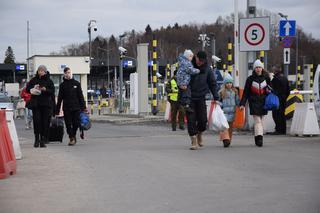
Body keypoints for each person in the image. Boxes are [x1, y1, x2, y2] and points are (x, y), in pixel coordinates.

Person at [186, 51, 219, 150]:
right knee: (191, 120)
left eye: (202, 61)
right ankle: (194, 140)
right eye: (199, 60)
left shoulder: (207, 69)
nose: (200, 62)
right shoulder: (188, 67)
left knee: (203, 121)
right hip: (190, 98)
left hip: (201, 97)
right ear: (195, 57)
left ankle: (200, 133)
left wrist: (216, 96)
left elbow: (212, 83)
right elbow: (182, 81)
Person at [240, 59, 271, 147]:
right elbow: (246, 92)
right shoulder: (250, 79)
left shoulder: (267, 78)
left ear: (262, 68)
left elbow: (271, 90)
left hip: (264, 103)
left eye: (259, 67)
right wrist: (242, 104)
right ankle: (260, 138)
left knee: (261, 121)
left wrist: (269, 91)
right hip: (253, 103)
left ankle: (257, 137)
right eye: (256, 67)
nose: (258, 69)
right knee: (258, 121)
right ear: (254, 69)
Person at [56, 67, 86, 146]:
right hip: (66, 108)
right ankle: (71, 138)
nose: (68, 74)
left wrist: (84, 107)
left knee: (76, 123)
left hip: (76, 107)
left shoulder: (76, 83)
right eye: (66, 73)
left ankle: (73, 135)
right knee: (68, 124)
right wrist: (57, 110)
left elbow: (80, 96)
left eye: (69, 72)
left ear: (71, 73)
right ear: (64, 74)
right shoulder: (62, 85)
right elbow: (59, 98)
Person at [27, 65, 55, 148]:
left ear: (45, 72)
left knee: (44, 122)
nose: (40, 72)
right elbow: (27, 89)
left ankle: (42, 140)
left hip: (46, 104)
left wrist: (45, 89)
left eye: (42, 71)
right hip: (36, 104)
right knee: (37, 121)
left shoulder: (49, 81)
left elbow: (52, 91)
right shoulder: (34, 80)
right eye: (39, 70)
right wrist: (33, 87)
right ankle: (36, 140)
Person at [218, 73, 240, 147]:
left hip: (232, 112)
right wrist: (221, 106)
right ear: (224, 84)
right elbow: (219, 101)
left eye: (230, 82)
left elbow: (237, 101)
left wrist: (240, 105)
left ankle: (229, 139)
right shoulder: (221, 92)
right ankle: (225, 139)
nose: (229, 84)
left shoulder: (235, 92)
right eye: (227, 83)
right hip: (224, 113)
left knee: (230, 128)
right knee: (225, 127)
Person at [268, 65, 290, 135]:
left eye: (273, 70)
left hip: (277, 100)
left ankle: (278, 130)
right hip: (283, 99)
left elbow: (273, 90)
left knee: (276, 115)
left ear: (275, 71)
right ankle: (283, 130)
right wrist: (285, 97)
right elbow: (288, 91)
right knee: (282, 115)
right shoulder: (285, 78)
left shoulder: (275, 79)